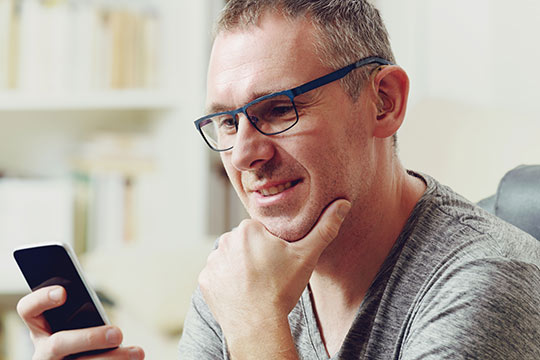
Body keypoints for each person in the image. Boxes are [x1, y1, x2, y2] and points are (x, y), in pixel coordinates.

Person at [17, 0, 540, 359]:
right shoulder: (241, 272)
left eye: (278, 109)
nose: (244, 154)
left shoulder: (489, 284)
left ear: (384, 102)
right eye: (227, 120)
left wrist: (256, 322)